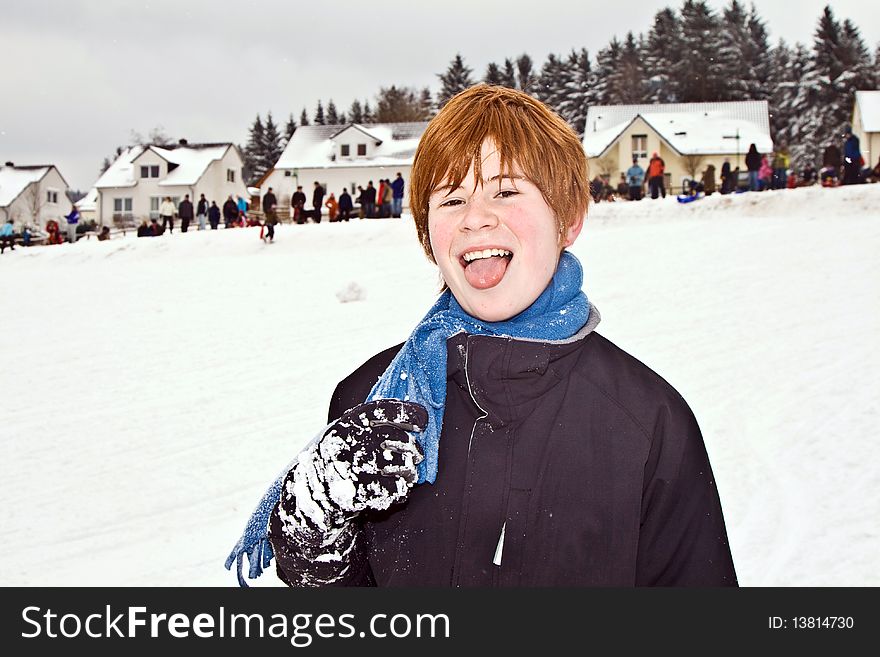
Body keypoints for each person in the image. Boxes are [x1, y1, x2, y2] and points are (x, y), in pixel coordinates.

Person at [226, 84, 737, 588]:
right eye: (451, 199)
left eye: (506, 191)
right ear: (429, 235)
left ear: (570, 220)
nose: (475, 218)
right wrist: (313, 533)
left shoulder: (649, 422)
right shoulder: (370, 401)